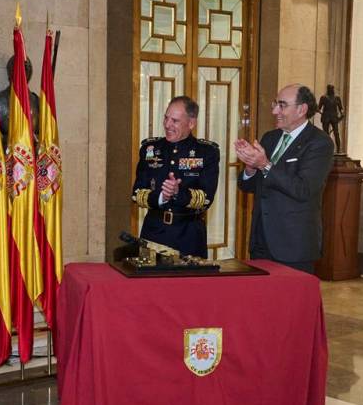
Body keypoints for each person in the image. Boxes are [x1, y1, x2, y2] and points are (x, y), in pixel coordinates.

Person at [235, 84, 334, 274]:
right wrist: (250, 167)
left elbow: (303, 189)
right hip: (261, 241)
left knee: (291, 302)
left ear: (301, 109)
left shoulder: (319, 143)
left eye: (282, 105)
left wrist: (265, 165)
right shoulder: (270, 138)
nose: (274, 111)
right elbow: (247, 186)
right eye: (275, 104)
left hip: (293, 245)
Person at [131, 96, 219, 258]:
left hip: (189, 236)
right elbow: (136, 194)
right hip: (154, 234)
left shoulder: (207, 152)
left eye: (175, 121)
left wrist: (178, 192)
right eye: (166, 118)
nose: (167, 125)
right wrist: (161, 197)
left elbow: (206, 199)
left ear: (191, 124)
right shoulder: (150, 149)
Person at [0, 56, 40, 147]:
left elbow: (42, 133)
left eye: (26, 68)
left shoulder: (36, 101)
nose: (23, 72)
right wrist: (14, 139)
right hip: (6, 157)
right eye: (20, 68)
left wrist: (36, 140)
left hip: (31, 157)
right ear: (11, 71)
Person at [317, 84, 344, 152]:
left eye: (332, 89)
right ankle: (326, 149)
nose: (331, 90)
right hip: (326, 117)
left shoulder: (337, 98)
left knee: (336, 133)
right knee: (325, 134)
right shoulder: (323, 97)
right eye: (330, 89)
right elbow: (319, 108)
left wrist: (342, 113)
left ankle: (338, 149)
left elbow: (341, 108)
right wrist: (317, 109)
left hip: (334, 117)